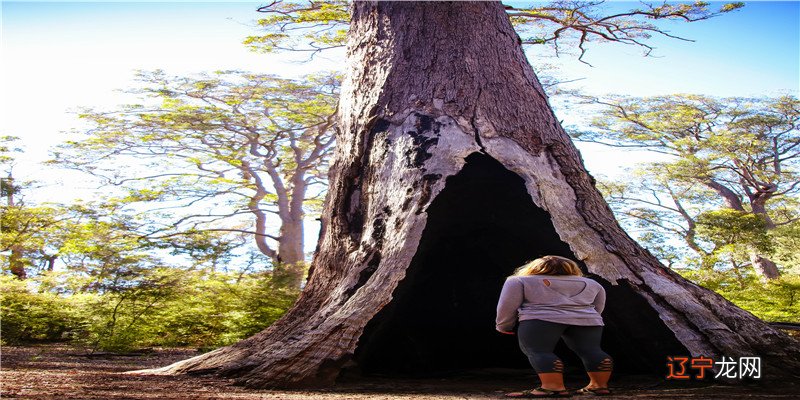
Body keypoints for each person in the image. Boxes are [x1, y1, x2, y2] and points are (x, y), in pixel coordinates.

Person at [496, 255, 613, 398]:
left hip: (540, 319)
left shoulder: (518, 280)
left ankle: (553, 387)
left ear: (533, 267)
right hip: (588, 320)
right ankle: (599, 386)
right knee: (591, 350)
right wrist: (586, 319)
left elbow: (507, 306)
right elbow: (598, 306)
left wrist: (504, 325)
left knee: (539, 351)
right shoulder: (592, 283)